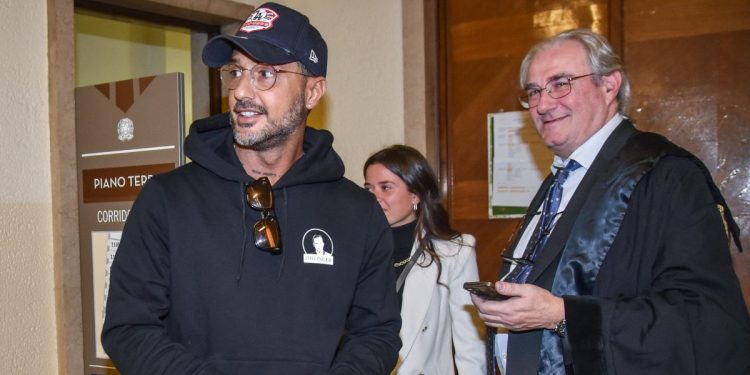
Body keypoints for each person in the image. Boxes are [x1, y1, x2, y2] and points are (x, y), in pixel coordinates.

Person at [101, 3, 401, 374]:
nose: (241, 89)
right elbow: (128, 328)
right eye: (236, 71)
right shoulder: (167, 199)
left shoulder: (358, 212)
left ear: (312, 92)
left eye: (265, 73)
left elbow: (377, 333)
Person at [471, 28, 750, 375]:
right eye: (534, 91)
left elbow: (701, 317)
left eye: (560, 83)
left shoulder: (667, 176)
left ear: (609, 85)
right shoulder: (561, 180)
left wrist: (561, 315)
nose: (542, 104)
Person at [364, 145, 487, 374]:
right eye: (369, 189)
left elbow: (470, 343)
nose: (375, 198)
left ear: (415, 194)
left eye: (386, 188)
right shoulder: (356, 248)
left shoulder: (454, 252)